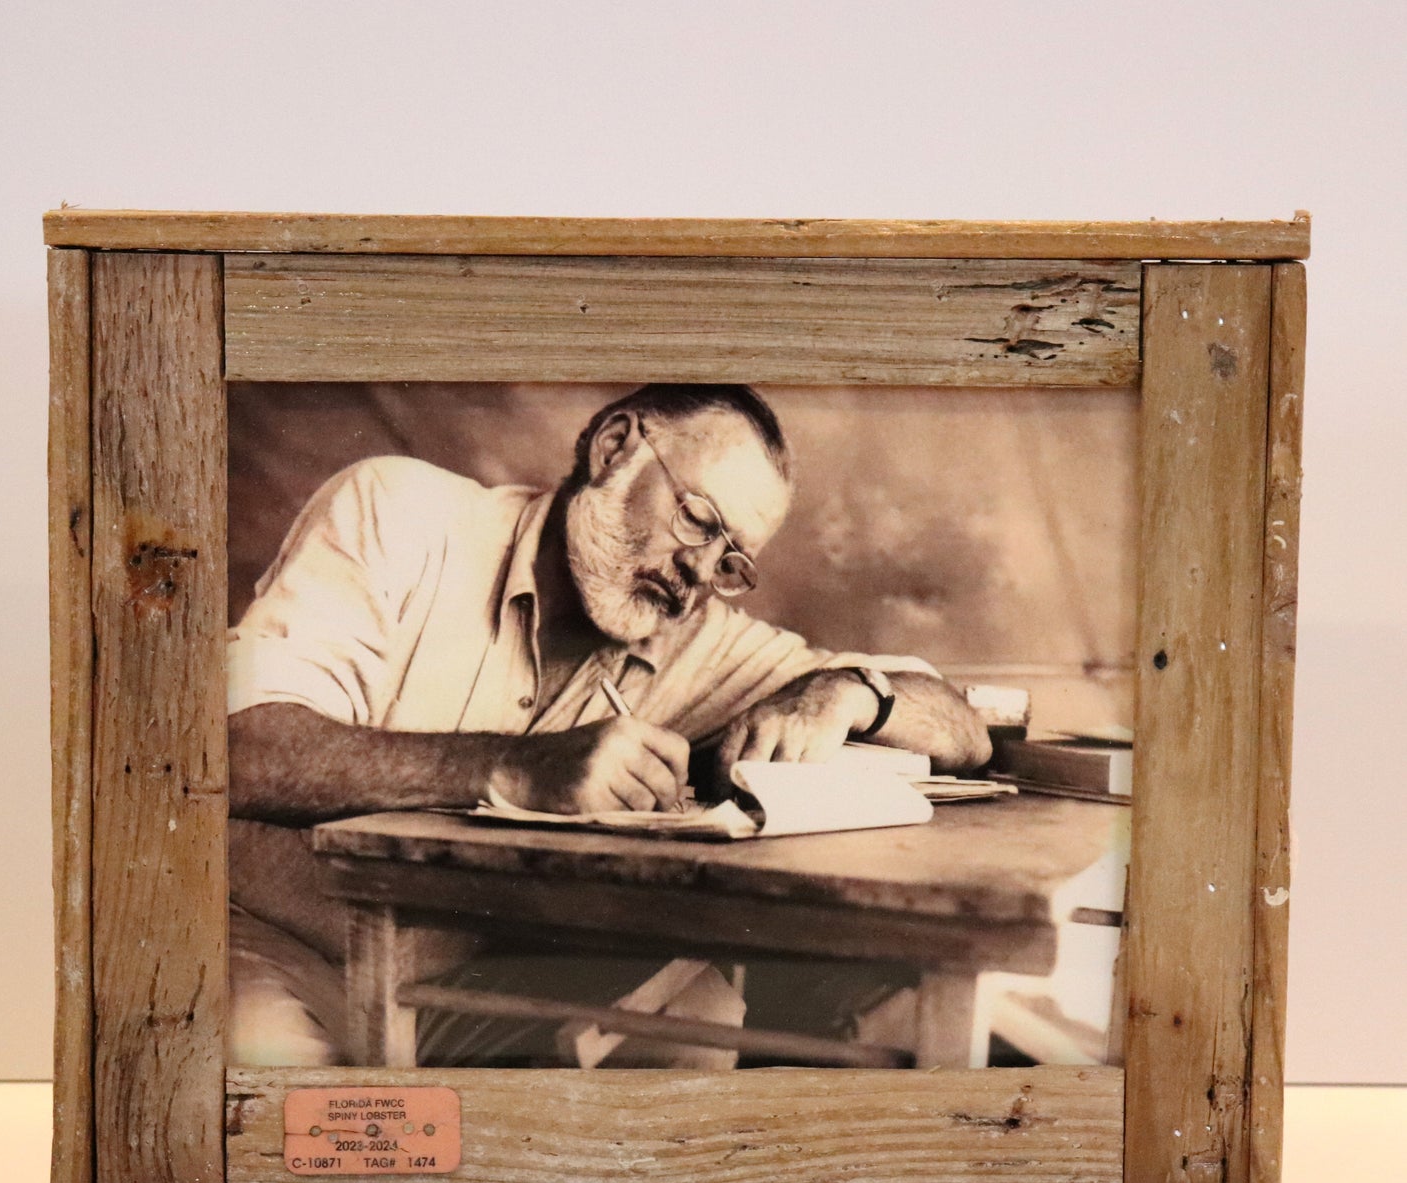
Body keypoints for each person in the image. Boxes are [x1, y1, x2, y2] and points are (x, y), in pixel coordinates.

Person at [227, 384, 991, 1066]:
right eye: (698, 519)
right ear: (615, 448)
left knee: (696, 1029)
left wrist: (851, 691)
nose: (699, 571)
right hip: (290, 943)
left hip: (470, 973)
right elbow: (241, 748)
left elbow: (965, 730)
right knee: (262, 1059)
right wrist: (513, 768)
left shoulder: (699, 636)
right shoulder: (396, 510)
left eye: (731, 560)